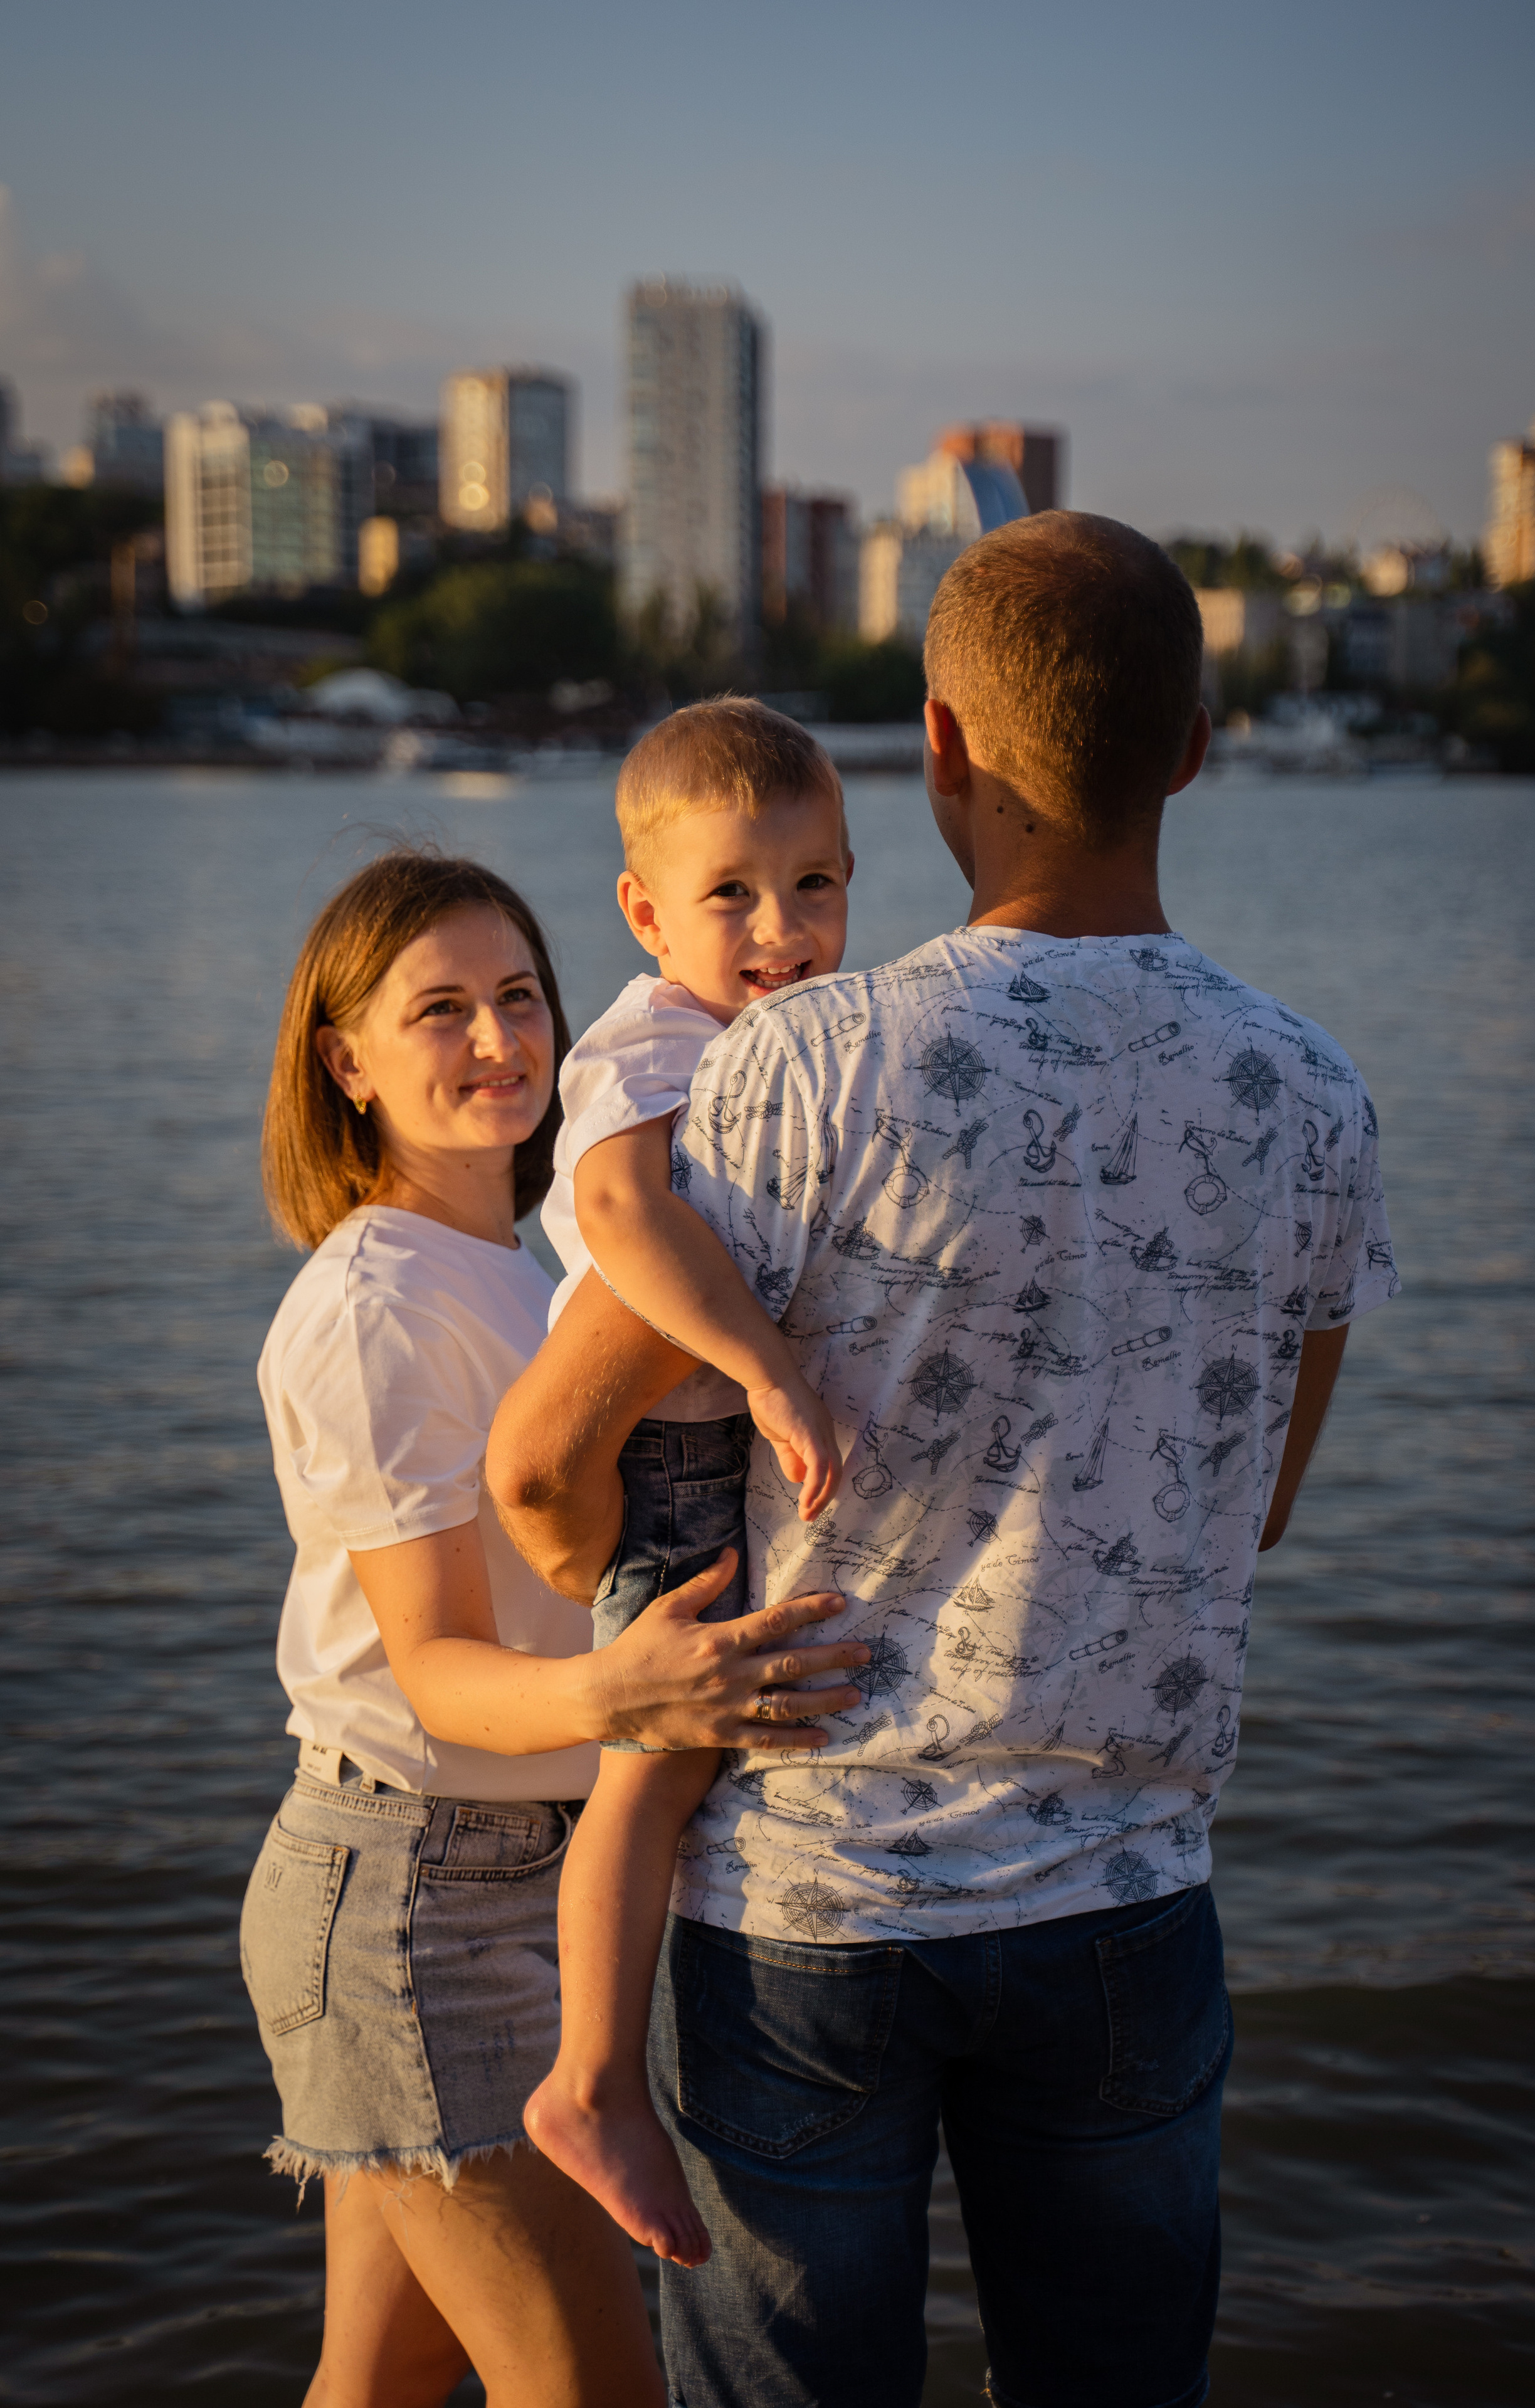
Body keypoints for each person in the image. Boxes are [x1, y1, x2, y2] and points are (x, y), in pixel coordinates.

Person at [492, 514, 1400, 2408]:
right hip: (1130, 1892)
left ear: (942, 750)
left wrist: (633, 1649)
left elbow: (540, 1466)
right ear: (1197, 748)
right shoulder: (1311, 1094)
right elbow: (1264, 1506)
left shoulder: (806, 1063)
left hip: (812, 1903)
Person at [242, 847, 868, 2408]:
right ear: (347, 1063)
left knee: (375, 2389)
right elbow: (435, 1668)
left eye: (517, 996)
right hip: (415, 1900)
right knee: (593, 2392)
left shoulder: (507, 1269)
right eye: (438, 1010)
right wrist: (630, 1691)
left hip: (480, 1880)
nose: (496, 1040)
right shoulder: (380, 1303)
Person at [487, 702, 855, 2269]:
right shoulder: (644, 1046)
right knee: (645, 1761)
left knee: (699, 1759)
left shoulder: (798, 1039)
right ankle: (587, 2083)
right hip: (671, 1455)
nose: (781, 931)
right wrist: (769, 1363)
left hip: (722, 1456)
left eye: (818, 886)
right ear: (642, 913)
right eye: (732, 896)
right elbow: (627, 1219)